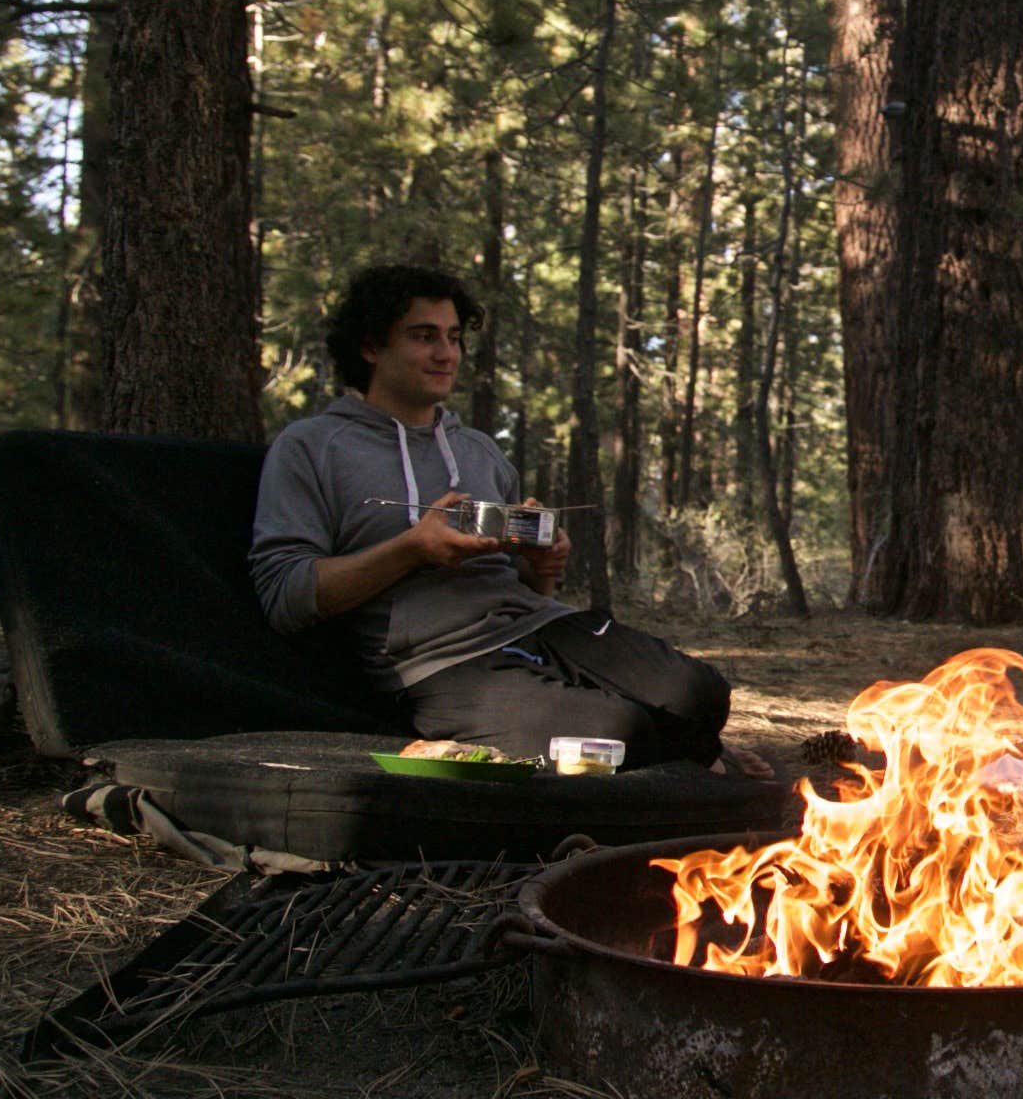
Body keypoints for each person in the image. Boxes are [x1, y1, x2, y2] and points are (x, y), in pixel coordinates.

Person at [250, 262, 738, 769]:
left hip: (539, 627)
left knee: (699, 692)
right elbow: (285, 596)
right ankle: (693, 759)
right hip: (435, 663)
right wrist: (411, 548)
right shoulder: (311, 447)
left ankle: (695, 752)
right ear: (371, 347)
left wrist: (541, 566)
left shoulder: (479, 451)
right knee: (614, 734)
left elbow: (524, 587)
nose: (446, 354)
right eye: (424, 337)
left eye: (454, 338)